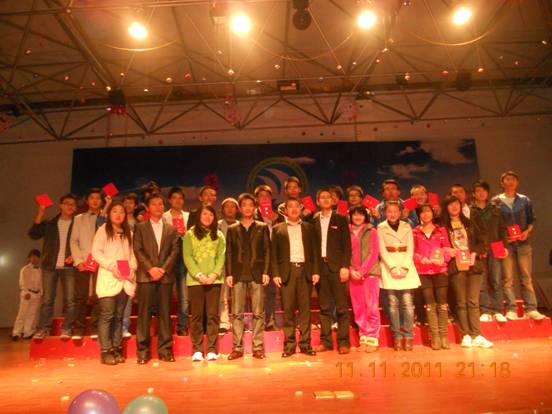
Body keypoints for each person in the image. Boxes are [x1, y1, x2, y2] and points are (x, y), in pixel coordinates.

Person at [441, 195, 494, 348]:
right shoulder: (443, 227)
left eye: (456, 204)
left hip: (473, 265)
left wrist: (474, 254)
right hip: (456, 265)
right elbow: (439, 246)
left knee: (473, 301)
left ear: (461, 205)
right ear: (446, 208)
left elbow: (481, 242)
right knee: (461, 302)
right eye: (450, 204)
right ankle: (466, 335)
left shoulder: (469, 223)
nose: (454, 207)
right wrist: (447, 250)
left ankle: (477, 334)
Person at [492, 171, 545, 321]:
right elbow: (493, 223)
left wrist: (527, 232)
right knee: (507, 279)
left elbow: (532, 219)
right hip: (506, 245)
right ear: (502, 183)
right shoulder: (495, 201)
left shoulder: (524, 200)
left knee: (526, 277)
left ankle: (531, 309)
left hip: (523, 243)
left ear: (517, 183)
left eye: (513, 179)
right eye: (507, 179)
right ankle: (511, 309)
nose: (510, 182)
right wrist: (503, 238)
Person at [133, 193, 179, 364]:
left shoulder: (171, 229)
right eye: (154, 204)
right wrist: (150, 269)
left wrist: (163, 269)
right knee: (144, 315)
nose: (158, 207)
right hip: (146, 277)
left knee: (165, 315)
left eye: (161, 204)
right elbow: (137, 249)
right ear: (147, 207)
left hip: (165, 277)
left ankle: (165, 350)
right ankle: (142, 352)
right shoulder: (140, 227)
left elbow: (174, 251)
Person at [271, 198, 320, 358]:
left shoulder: (309, 228)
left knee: (305, 310)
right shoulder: (278, 229)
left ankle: (305, 344)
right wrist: (276, 273)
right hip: (287, 272)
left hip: (305, 270)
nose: (293, 209)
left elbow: (315, 251)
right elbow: (273, 253)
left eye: (296, 206)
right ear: (285, 210)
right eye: (290, 206)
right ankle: (289, 345)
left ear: (301, 209)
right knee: (289, 310)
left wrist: (315, 271)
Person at [226, 193, 271, 360]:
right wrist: (229, 273)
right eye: (244, 205)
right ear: (240, 208)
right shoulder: (232, 229)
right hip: (237, 274)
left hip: (257, 274)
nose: (247, 208)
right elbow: (229, 253)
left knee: (258, 312)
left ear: (255, 208)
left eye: (250, 205)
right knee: (237, 313)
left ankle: (258, 347)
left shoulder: (262, 227)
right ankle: (237, 348)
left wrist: (266, 271)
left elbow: (267, 251)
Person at [92, 201, 137, 365]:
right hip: (109, 276)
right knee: (107, 315)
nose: (118, 215)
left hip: (125, 277)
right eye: (115, 211)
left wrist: (132, 268)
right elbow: (96, 252)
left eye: (121, 212)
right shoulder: (103, 230)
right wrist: (111, 266)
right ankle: (105, 351)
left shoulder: (128, 233)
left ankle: (116, 348)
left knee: (118, 316)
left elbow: (132, 254)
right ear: (109, 214)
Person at [30, 193, 78, 340]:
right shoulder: (50, 223)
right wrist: (40, 212)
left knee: (70, 300)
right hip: (50, 265)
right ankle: (43, 329)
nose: (70, 206)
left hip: (69, 266)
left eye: (73, 204)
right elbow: (34, 234)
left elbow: (82, 244)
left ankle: (67, 328)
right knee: (47, 299)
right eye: (67, 203)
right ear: (60, 206)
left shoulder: (78, 224)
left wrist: (75, 256)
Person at [183, 205, 226, 362]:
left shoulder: (219, 235)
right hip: (195, 281)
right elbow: (187, 256)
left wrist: (214, 274)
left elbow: (221, 257)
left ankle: (212, 349)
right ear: (199, 216)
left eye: (211, 215)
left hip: (215, 280)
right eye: (205, 214)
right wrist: (199, 275)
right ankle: (197, 350)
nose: (208, 217)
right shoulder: (190, 234)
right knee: (197, 316)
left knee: (213, 315)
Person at [312, 188, 352, 355]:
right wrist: (314, 270)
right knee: (324, 307)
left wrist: (345, 266)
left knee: (341, 307)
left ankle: (344, 342)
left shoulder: (340, 219)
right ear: (318, 201)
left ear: (333, 200)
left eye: (329, 197)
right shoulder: (314, 220)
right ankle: (326, 342)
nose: (326, 200)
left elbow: (346, 245)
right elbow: (312, 248)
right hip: (321, 268)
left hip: (337, 268)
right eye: (322, 197)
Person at [377, 201, 421, 351]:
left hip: (405, 266)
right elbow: (382, 249)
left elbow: (410, 248)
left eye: (395, 211)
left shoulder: (406, 226)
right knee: (393, 304)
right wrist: (392, 267)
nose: (392, 214)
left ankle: (408, 335)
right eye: (389, 211)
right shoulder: (380, 227)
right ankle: (397, 335)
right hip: (389, 267)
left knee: (407, 303)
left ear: (400, 212)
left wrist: (405, 267)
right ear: (385, 213)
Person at [413, 204, 453, 350]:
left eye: (428, 211)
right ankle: (435, 336)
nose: (425, 214)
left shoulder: (441, 230)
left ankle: (444, 336)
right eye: (422, 212)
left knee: (442, 304)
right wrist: (420, 259)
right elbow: (412, 252)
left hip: (440, 270)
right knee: (430, 305)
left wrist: (444, 259)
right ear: (419, 215)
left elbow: (448, 250)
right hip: (424, 272)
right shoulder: (415, 232)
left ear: (433, 213)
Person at [470, 180, 509, 323]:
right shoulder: (470, 210)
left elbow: (502, 229)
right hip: (479, 248)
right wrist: (475, 249)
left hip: (496, 246)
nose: (481, 193)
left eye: (484, 190)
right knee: (482, 281)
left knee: (496, 279)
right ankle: (485, 310)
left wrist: (505, 246)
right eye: (478, 191)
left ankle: (498, 310)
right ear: (474, 194)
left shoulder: (495, 209)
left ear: (488, 193)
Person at [70, 187, 104, 340]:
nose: (95, 201)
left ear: (101, 201)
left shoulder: (106, 218)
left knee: (98, 296)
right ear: (87, 201)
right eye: (92, 198)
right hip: (83, 261)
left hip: (101, 263)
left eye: (98, 198)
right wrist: (78, 261)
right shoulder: (79, 218)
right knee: (81, 297)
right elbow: (73, 241)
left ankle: (95, 328)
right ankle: (78, 329)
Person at [348, 206, 381, 353]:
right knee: (358, 308)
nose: (357, 217)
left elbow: (373, 253)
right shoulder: (346, 231)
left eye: (360, 214)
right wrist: (351, 270)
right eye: (354, 214)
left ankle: (373, 338)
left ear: (365, 216)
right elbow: (344, 253)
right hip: (353, 275)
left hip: (370, 274)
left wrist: (362, 271)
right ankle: (364, 337)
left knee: (371, 306)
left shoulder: (371, 231)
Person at [162, 187, 191, 336]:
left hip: (184, 256)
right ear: (169, 200)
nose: (177, 200)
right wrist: (173, 233)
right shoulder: (163, 217)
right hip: (167, 257)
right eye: (174, 198)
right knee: (165, 294)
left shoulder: (188, 216)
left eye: (180, 198)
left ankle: (182, 326)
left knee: (184, 295)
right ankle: (165, 326)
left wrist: (186, 235)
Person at [253, 184, 281, 332]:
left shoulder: (278, 216)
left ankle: (270, 321)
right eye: (261, 196)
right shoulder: (251, 215)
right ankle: (257, 323)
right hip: (257, 259)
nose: (264, 198)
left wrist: (275, 220)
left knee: (271, 292)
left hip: (273, 258)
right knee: (257, 293)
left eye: (267, 196)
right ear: (256, 199)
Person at [217, 198, 239, 334]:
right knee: (223, 295)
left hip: (237, 264)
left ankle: (237, 321)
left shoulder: (240, 224)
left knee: (238, 294)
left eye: (233, 206)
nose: (230, 209)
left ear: (237, 209)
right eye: (227, 207)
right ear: (222, 209)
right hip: (222, 263)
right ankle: (224, 322)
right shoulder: (218, 225)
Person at [12, 249, 43, 340]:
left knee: (32, 315)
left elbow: (41, 283)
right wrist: (26, 292)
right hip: (27, 294)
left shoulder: (40, 270)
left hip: (36, 294)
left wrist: (41, 293)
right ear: (29, 258)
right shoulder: (25, 269)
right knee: (22, 313)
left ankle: (27, 332)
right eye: (33, 256)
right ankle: (16, 333)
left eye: (37, 257)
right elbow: (22, 282)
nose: (35, 259)